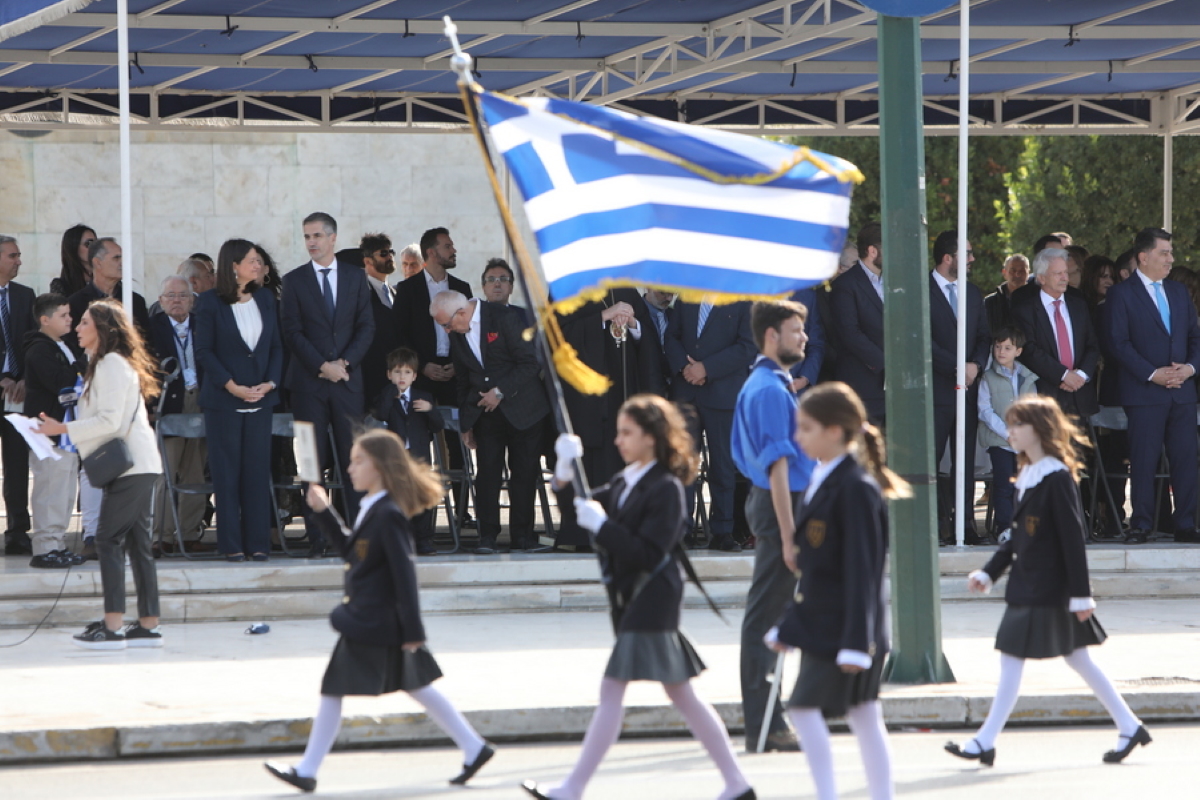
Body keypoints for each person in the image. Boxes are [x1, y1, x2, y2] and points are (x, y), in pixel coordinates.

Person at [523, 398, 756, 800]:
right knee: (682, 695)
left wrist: (604, 526)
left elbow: (648, 551)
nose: (618, 441)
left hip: (653, 597)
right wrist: (563, 472)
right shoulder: (626, 480)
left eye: (627, 432)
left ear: (651, 437)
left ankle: (573, 789)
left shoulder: (666, 487)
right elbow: (580, 508)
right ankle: (736, 783)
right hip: (635, 597)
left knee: (614, 690)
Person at [264, 429, 494, 793]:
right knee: (417, 686)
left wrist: (415, 631)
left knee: (333, 689)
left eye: (359, 461)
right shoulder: (374, 508)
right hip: (378, 618)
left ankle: (307, 770)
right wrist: (324, 512)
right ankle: (474, 747)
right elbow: (352, 553)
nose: (351, 468)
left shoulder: (387, 513)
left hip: (375, 619)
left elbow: (405, 573)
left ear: (381, 467)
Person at [945, 395, 1151, 767]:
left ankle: (985, 741)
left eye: (1016, 425)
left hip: (1047, 588)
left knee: (1019, 660)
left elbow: (1073, 539)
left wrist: (1081, 594)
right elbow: (1016, 537)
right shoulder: (1028, 474)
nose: (1010, 432)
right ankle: (1129, 724)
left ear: (1038, 430)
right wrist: (989, 573)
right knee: (1076, 660)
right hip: (1030, 584)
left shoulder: (1055, 477)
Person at [767, 381, 905, 800]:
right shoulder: (826, 478)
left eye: (805, 428)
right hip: (826, 623)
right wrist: (788, 627)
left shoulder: (855, 486)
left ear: (833, 430)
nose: (797, 437)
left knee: (807, 709)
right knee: (862, 714)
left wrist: (857, 642)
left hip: (845, 630)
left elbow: (864, 570)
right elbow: (817, 569)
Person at [37, 299, 164, 650]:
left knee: (107, 539)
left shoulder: (109, 364)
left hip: (131, 468)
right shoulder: (105, 363)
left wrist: (62, 427)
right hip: (139, 464)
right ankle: (148, 625)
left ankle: (112, 625)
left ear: (103, 330)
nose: (77, 327)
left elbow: (110, 421)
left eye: (84, 323)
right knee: (139, 546)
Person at [731, 300, 813, 753]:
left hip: (785, 503)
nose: (803, 338)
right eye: (795, 330)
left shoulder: (773, 384)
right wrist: (788, 535)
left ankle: (776, 717)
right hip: (781, 506)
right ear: (771, 336)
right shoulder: (767, 390)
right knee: (765, 618)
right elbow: (778, 467)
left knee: (775, 615)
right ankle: (766, 723)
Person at [281, 212, 374, 557]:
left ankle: (354, 535)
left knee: (354, 462)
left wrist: (343, 364)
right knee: (310, 464)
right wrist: (322, 365)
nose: (312, 242)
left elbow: (366, 327)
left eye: (317, 235)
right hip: (308, 385)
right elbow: (292, 332)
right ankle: (318, 538)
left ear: (333, 238)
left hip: (348, 383)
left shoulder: (355, 277)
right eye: (306, 236)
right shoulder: (294, 281)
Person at [430, 290, 551, 554]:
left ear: (461, 313)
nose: (447, 331)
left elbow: (530, 363)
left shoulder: (503, 317)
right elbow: (462, 379)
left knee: (524, 475)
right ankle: (487, 537)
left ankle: (522, 537)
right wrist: (466, 423)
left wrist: (500, 391)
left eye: (447, 324)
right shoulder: (457, 334)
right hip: (486, 414)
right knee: (487, 476)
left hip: (524, 409)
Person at [1102, 227, 1200, 544]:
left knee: (1186, 459)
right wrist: (1151, 374)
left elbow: (1195, 337)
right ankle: (1141, 523)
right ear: (1144, 257)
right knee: (1143, 460)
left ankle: (1186, 523)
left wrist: (1189, 368)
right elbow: (1118, 344)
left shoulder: (1179, 292)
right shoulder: (1121, 294)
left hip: (1182, 392)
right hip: (1144, 392)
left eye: (1171, 253)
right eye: (1164, 253)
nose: (1171, 259)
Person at [195, 239, 284, 562]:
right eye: (252, 260)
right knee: (227, 474)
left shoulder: (266, 298)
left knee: (257, 473)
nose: (258, 265)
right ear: (233, 265)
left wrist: (271, 383)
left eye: (259, 260)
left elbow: (276, 345)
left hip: (262, 399)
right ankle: (231, 544)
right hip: (224, 402)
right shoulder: (208, 302)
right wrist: (231, 386)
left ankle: (258, 543)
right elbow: (204, 351)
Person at [665, 297, 757, 551]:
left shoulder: (742, 300)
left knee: (723, 466)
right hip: (686, 393)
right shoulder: (687, 295)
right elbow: (671, 336)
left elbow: (747, 345)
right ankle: (682, 530)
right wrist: (685, 368)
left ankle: (722, 531)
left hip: (723, 393)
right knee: (683, 464)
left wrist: (706, 368)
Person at [929, 230, 990, 544]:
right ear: (947, 258)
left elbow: (983, 337)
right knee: (932, 459)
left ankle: (964, 525)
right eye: (966, 253)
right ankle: (935, 525)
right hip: (935, 391)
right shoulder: (920, 292)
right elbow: (922, 341)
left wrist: (975, 366)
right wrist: (955, 366)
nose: (972, 259)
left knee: (964, 462)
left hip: (966, 389)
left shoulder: (973, 293)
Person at [23, 293, 84, 568]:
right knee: (50, 489)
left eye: (70, 314)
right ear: (44, 320)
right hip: (48, 431)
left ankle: (57, 544)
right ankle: (45, 547)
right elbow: (59, 383)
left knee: (64, 491)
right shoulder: (39, 349)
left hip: (65, 432)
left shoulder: (63, 345)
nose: (70, 319)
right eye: (63, 315)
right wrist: (82, 365)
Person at [149, 275, 208, 549]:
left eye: (182, 295)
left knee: (195, 470)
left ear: (192, 300)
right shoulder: (151, 329)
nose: (176, 300)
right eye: (170, 295)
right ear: (161, 301)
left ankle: (190, 532)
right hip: (169, 402)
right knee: (167, 472)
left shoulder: (203, 325)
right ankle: (163, 535)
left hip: (201, 400)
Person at [1012, 247, 1100, 420]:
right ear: (1041, 278)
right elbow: (1029, 350)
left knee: (1080, 447)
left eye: (1066, 272)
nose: (1065, 278)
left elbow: (1092, 344)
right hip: (1046, 395)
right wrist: (1064, 375)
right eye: (1058, 273)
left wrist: (1080, 376)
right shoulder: (1025, 310)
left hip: (1079, 396)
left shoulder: (1078, 305)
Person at [375, 347, 445, 555]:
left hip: (419, 454)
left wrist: (430, 410)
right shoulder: (386, 394)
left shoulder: (424, 396)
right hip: (396, 457)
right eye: (397, 372)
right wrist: (390, 394)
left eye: (406, 372)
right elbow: (381, 415)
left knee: (421, 494)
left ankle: (423, 539)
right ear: (389, 375)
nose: (401, 377)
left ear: (414, 376)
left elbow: (437, 426)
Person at [977, 328, 1038, 539]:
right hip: (1000, 441)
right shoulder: (987, 377)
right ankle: (1005, 528)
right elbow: (984, 410)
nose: (1001, 352)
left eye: (1007, 348)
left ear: (1018, 351)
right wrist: (1007, 433)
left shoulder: (1027, 377)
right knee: (1004, 486)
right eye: (997, 347)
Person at [828, 223, 886, 423]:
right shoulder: (845, 285)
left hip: (895, 392)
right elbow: (850, 334)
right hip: (862, 387)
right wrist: (888, 365)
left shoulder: (895, 283)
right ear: (872, 251)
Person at [0, 235, 35, 556]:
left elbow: (33, 342)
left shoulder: (25, 296)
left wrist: (24, 378)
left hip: (17, 394)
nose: (19, 261)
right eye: (13, 255)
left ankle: (18, 531)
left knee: (16, 463)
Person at [66, 238, 151, 345]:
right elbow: (74, 345)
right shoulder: (76, 303)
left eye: (123, 258)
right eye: (116, 258)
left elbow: (146, 343)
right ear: (97, 263)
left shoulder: (135, 302)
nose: (122, 263)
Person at [357, 235, 400, 410]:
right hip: (369, 381)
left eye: (391, 252)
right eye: (383, 253)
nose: (389, 256)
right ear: (367, 261)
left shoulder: (395, 293)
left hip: (395, 381)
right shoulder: (359, 293)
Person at [984, 254, 1030, 336]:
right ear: (1004, 273)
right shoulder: (990, 303)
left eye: (1022, 271)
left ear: (1028, 273)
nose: (1017, 274)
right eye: (1013, 270)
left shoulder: (1037, 300)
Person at [50, 224, 97, 298]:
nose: (94, 248)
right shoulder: (61, 285)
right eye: (89, 244)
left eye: (97, 244)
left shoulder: (106, 279)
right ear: (74, 248)